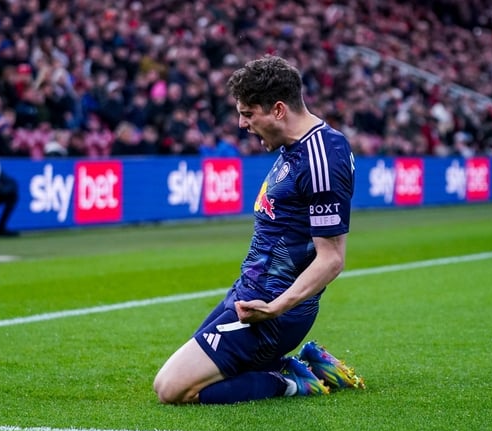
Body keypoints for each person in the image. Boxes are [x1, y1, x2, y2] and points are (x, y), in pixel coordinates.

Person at [153, 55, 364, 405]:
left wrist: (277, 307)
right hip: (249, 295)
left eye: (248, 114)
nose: (241, 124)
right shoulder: (294, 149)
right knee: (197, 370)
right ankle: (303, 364)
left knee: (171, 388)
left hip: (274, 310)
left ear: (278, 110)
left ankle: (293, 380)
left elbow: (331, 259)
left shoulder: (323, 156)